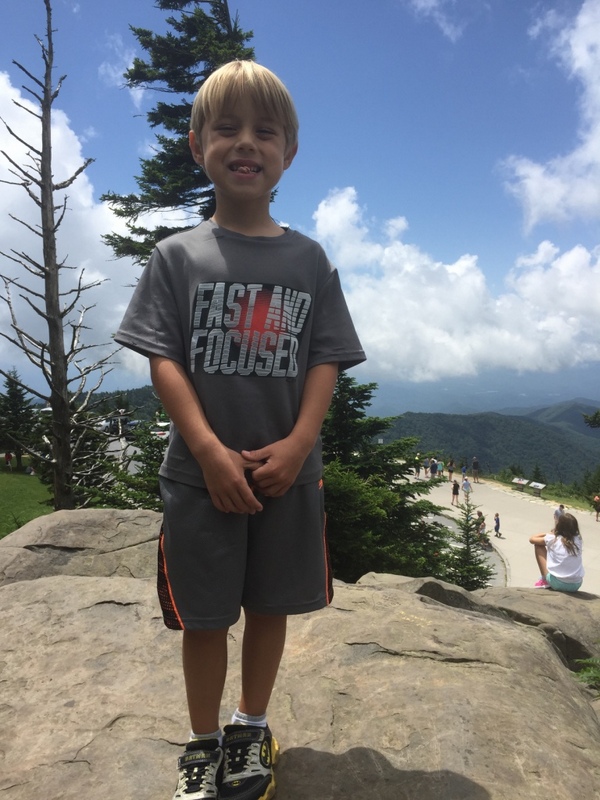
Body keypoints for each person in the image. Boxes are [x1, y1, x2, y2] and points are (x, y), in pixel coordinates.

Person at [115, 61, 366, 800]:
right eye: (227, 129)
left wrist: (300, 444)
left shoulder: (308, 260)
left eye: (265, 131)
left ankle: (250, 725)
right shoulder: (177, 257)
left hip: (287, 476)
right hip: (201, 478)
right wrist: (206, 450)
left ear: (290, 151)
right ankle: (202, 742)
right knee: (204, 618)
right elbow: (162, 360)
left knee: (270, 607)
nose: (246, 142)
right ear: (198, 145)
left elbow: (325, 359)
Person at [529, 513, 584, 591]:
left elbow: (532, 539)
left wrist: (549, 533)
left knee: (538, 546)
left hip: (557, 583)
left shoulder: (553, 539)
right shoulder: (578, 540)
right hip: (576, 584)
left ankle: (544, 579)